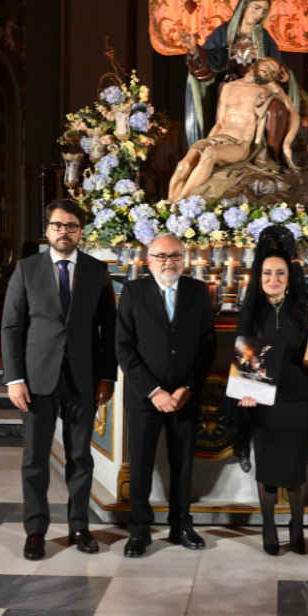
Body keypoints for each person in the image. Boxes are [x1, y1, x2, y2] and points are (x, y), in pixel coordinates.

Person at [2, 199, 117, 560]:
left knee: (80, 457)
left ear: (81, 231)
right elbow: (12, 326)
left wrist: (107, 376)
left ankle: (79, 527)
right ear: (47, 230)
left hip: (83, 378)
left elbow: (108, 330)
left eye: (71, 225)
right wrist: (14, 378)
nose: (63, 231)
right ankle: (35, 531)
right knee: (35, 459)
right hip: (36, 379)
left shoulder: (98, 271)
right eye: (57, 225)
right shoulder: (26, 268)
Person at [236, 226, 308, 556]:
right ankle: (269, 526)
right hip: (264, 403)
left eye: (280, 272)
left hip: (301, 400)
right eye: (267, 272)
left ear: (289, 275)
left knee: (297, 468)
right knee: (268, 468)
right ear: (260, 274)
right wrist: (245, 390)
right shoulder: (253, 312)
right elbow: (246, 359)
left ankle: (296, 526)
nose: (273, 278)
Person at [115, 233, 217, 557]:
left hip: (185, 397)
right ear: (149, 261)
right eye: (160, 256)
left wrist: (188, 387)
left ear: (184, 259)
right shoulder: (132, 291)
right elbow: (124, 347)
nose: (167, 262)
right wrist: (155, 391)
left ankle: (181, 525)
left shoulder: (198, 292)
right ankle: (140, 531)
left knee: (183, 464)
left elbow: (207, 346)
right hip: (145, 398)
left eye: (174, 256)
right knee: (142, 466)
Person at [181, 0, 303, 151]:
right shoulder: (223, 32)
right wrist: (194, 49)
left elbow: (278, 66)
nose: (259, 14)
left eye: (264, 11)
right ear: (244, 6)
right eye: (256, 7)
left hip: (260, 88)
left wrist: (285, 77)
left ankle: (271, 159)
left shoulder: (264, 36)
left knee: (276, 110)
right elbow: (208, 62)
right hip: (232, 89)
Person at [167, 57, 300, 202]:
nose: (269, 72)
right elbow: (220, 122)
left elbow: (294, 113)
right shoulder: (228, 87)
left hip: (240, 144)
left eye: (273, 72)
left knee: (210, 154)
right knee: (183, 165)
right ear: (255, 64)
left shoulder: (269, 89)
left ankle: (180, 200)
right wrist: (207, 141)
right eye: (268, 66)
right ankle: (168, 204)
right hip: (219, 138)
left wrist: (287, 145)